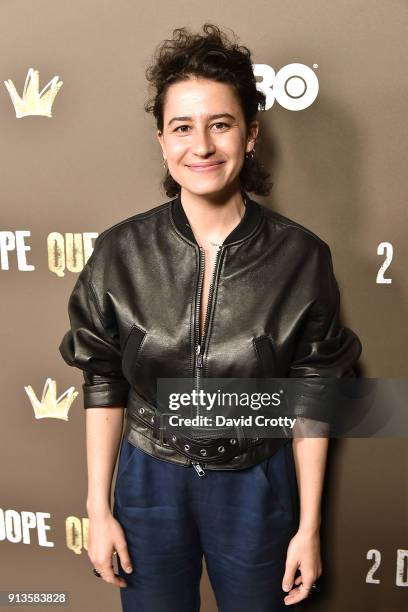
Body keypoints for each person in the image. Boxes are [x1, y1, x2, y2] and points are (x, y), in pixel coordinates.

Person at [59, 23, 362, 612]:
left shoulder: (302, 256)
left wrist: (308, 525)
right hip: (148, 481)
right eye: (182, 127)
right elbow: (103, 380)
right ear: (162, 139)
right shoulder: (119, 251)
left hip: (257, 482)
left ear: (251, 135)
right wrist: (99, 509)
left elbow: (313, 394)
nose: (201, 146)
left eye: (220, 124)